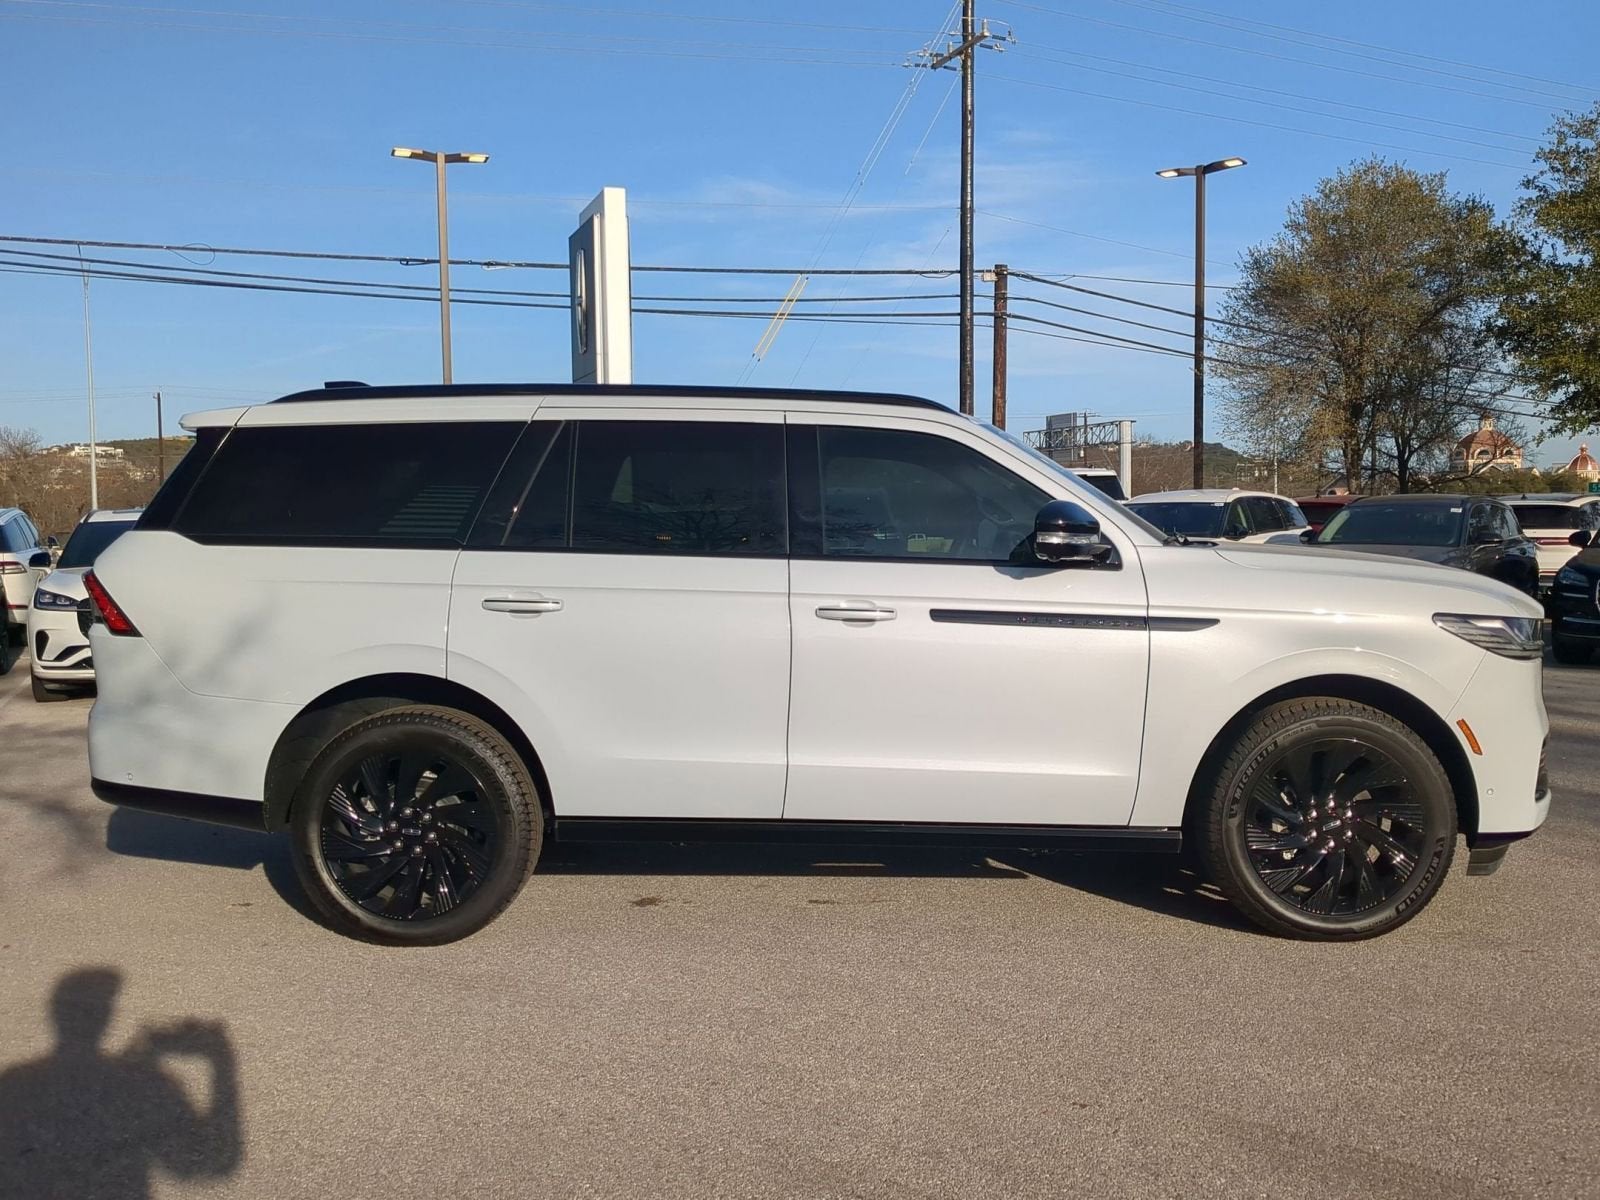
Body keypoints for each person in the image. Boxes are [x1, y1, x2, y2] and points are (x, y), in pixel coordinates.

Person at [0, 969, 241, 1199]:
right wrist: (221, 1060)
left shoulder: (15, 1085)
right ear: (107, 1017)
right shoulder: (140, 1086)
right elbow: (212, 1160)